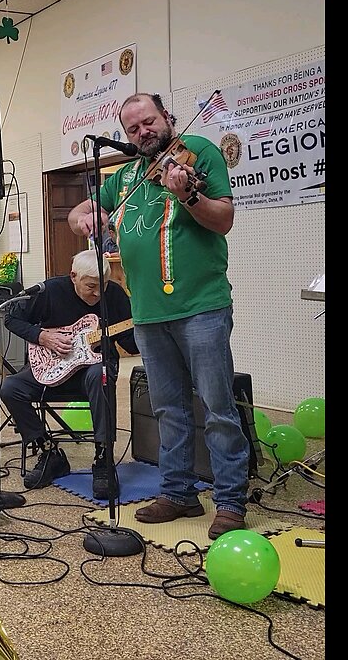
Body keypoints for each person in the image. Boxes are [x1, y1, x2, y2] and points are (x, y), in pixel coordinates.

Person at [68, 92, 250, 540]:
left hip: (201, 305)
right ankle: (177, 491)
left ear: (166, 117)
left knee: (217, 406)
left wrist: (187, 194)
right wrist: (82, 219)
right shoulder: (127, 173)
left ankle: (229, 500)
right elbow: (86, 210)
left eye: (148, 122)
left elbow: (223, 218)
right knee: (168, 407)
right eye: (132, 129)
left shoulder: (199, 153)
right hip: (148, 311)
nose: (142, 132)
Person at [0, 249, 137, 496]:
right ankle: (49, 451)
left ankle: (103, 459)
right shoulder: (50, 290)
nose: (97, 294)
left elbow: (129, 342)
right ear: (74, 276)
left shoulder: (114, 294)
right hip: (52, 367)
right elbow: (12, 318)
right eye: (91, 286)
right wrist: (42, 336)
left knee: (101, 374)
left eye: (102, 287)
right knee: (10, 388)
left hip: (92, 374)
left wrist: (146, 331)